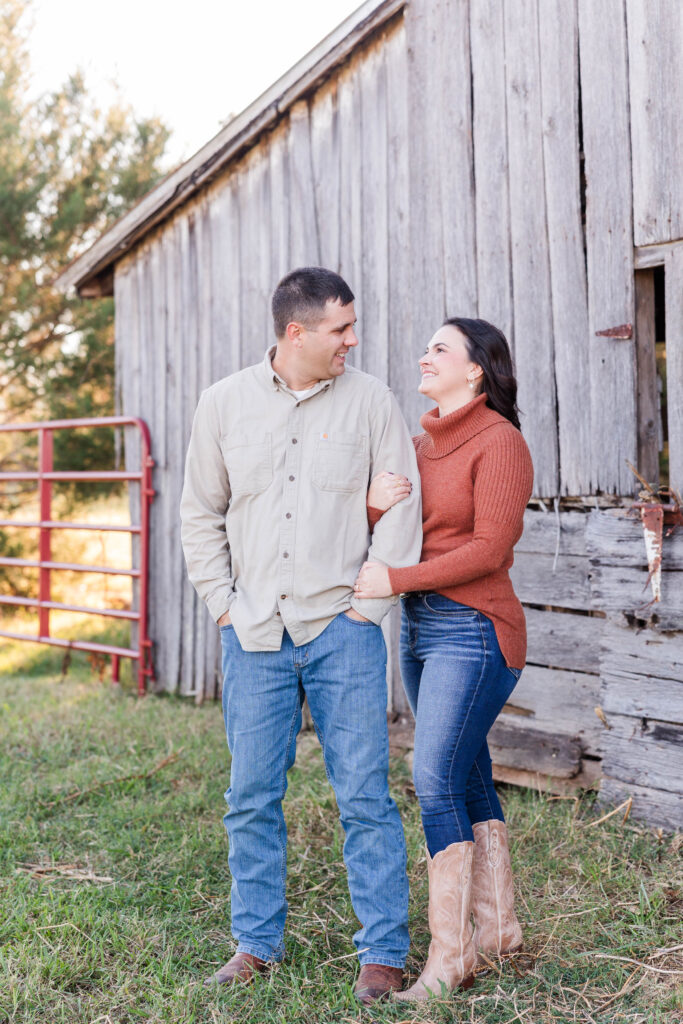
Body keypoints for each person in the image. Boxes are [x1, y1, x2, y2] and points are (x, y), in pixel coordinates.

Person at [179, 267, 422, 1004]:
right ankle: (255, 944)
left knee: (365, 797)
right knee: (250, 795)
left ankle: (381, 951)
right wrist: (223, 605)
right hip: (252, 634)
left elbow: (401, 515)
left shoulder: (372, 401)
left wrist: (366, 610)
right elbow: (199, 514)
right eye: (340, 329)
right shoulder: (222, 404)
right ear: (296, 333)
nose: (353, 340)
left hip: (341, 631)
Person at [354, 317, 534, 1001]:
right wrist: (374, 510)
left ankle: (449, 958)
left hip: (476, 629)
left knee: (431, 777)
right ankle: (496, 931)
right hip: (421, 628)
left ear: (475, 370)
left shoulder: (500, 443)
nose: (422, 356)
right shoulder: (415, 446)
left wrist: (394, 580)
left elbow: (488, 548)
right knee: (465, 775)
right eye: (425, 346)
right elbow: (395, 527)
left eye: (438, 349)